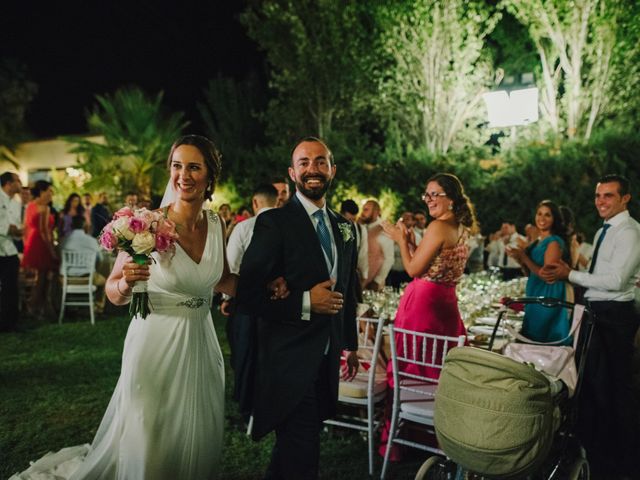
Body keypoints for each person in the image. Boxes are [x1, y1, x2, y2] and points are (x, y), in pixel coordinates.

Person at [11, 135, 240, 479]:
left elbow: (222, 279)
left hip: (201, 341)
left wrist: (269, 285)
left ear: (210, 175)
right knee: (149, 428)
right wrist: (126, 282)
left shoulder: (216, 223)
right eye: (177, 166)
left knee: (196, 424)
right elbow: (114, 294)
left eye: (195, 167)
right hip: (155, 341)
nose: (184, 175)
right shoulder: (144, 222)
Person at [236, 136, 359, 480]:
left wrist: (349, 344)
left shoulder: (346, 227)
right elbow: (246, 294)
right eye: (304, 163)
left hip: (326, 356)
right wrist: (305, 301)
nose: (312, 169)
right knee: (304, 453)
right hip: (288, 359)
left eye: (320, 161)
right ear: (292, 173)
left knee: (293, 447)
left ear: (332, 169)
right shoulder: (274, 223)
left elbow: (348, 289)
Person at [540, 174, 640, 479]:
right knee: (592, 387)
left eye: (608, 196)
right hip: (596, 310)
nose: (601, 201)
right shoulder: (603, 232)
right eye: (598, 196)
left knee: (613, 390)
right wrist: (575, 272)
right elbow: (599, 275)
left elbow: (616, 281)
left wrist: (571, 275)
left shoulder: (630, 232)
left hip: (615, 315)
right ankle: (593, 451)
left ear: (625, 199)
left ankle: (619, 462)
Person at [379, 172, 476, 459]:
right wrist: (409, 241)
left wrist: (398, 239)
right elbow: (426, 263)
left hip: (423, 304)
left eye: (435, 194)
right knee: (433, 368)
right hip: (446, 304)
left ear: (451, 199)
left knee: (411, 366)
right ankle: (433, 435)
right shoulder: (461, 228)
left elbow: (412, 270)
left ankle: (402, 439)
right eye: (427, 194)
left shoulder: (436, 227)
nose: (429, 199)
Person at [224, 183, 279, 419]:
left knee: (245, 352)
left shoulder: (244, 227)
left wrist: (227, 298)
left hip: (247, 300)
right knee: (271, 353)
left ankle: (246, 405)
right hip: (280, 303)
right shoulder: (286, 227)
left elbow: (231, 265)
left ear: (255, 203)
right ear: (277, 201)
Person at [508, 200, 570, 344]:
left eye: (547, 215)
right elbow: (530, 272)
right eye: (539, 214)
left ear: (555, 219)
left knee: (541, 338)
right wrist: (520, 259)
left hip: (547, 297)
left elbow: (546, 275)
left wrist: (524, 256)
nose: (542, 218)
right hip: (535, 292)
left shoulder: (554, 242)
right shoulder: (540, 241)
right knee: (531, 337)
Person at [21, 180, 57, 319]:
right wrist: (51, 250)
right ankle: (34, 307)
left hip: (31, 242)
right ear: (42, 191)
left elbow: (25, 228)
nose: (51, 194)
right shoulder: (45, 208)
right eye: (49, 190)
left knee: (39, 278)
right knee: (43, 279)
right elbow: (44, 231)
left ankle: (37, 307)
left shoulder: (29, 206)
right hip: (41, 243)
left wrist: (26, 246)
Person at [59, 214, 106, 314]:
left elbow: (60, 258)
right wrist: (95, 269)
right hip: (88, 278)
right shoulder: (92, 241)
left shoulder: (64, 241)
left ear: (71, 226)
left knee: (55, 281)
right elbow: (100, 259)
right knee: (104, 282)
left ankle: (62, 308)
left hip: (66, 280)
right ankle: (98, 307)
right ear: (84, 226)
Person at [1, 172, 23, 332]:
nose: (20, 183)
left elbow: (16, 225)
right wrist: (9, 228)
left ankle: (11, 322)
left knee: (11, 287)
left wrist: (17, 231)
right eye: (17, 181)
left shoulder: (16, 203)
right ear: (8, 183)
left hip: (9, 250)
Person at [359, 199, 394, 291]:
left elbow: (389, 258)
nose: (362, 213)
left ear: (376, 212)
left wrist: (377, 280)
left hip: (374, 284)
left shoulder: (384, 229)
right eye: (363, 209)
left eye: (366, 210)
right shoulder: (361, 226)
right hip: (359, 280)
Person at [339, 199, 368, 290]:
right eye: (349, 219)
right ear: (341, 214)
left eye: (354, 220)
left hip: (353, 274)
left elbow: (363, 253)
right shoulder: (334, 227)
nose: (350, 223)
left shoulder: (361, 229)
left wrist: (364, 275)